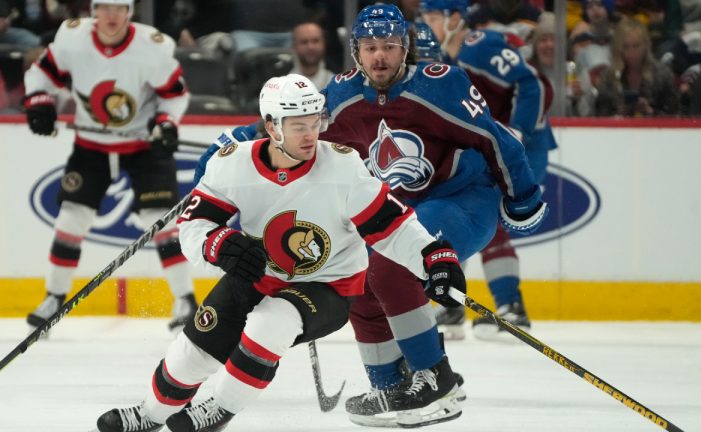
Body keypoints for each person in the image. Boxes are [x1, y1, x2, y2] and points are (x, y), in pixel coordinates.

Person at [192, 5, 546, 427]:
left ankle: (435, 379)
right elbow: (300, 121)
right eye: (371, 47)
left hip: (462, 199)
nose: (381, 56)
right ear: (357, 50)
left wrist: (522, 200)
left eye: (390, 47)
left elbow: (497, 138)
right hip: (406, 208)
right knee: (359, 272)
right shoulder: (344, 94)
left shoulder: (440, 85)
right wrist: (241, 141)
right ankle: (388, 385)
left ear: (405, 49)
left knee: (389, 264)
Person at [94, 73, 468, 432]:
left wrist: (433, 257)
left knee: (271, 322)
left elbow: (392, 226)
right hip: (259, 274)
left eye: (315, 121)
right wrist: (218, 244)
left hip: (330, 286)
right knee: (193, 352)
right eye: (298, 125)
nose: (311, 134)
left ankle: (220, 408)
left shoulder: (343, 166)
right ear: (272, 127)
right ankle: (150, 414)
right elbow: (195, 227)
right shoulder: (232, 163)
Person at [22, 0, 197, 332]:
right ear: (93, 10)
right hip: (92, 147)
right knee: (72, 217)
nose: (112, 16)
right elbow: (41, 74)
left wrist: (167, 123)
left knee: (158, 220)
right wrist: (40, 101)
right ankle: (53, 297)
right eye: (104, 7)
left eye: (119, 8)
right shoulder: (72, 40)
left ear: (129, 11)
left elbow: (174, 93)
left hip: (144, 145)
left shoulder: (151, 47)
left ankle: (186, 300)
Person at [421, 0, 556, 340]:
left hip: (520, 151)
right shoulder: (445, 61)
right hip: (490, 152)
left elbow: (534, 84)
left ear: (455, 18)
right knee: (458, 212)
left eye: (432, 17)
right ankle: (451, 302)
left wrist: (519, 132)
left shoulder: (477, 47)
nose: (425, 24)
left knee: (486, 215)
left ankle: (512, 305)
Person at [594, 18, 680, 117]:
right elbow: (600, 115)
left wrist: (651, 112)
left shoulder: (662, 74)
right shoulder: (609, 77)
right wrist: (618, 114)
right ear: (619, 48)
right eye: (626, 47)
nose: (632, 53)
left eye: (636, 46)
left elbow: (674, 114)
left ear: (646, 45)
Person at [289, 21, 335, 89]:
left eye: (315, 41)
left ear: (324, 44)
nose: (310, 47)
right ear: (294, 46)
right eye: (304, 42)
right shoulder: (283, 85)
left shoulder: (336, 83)